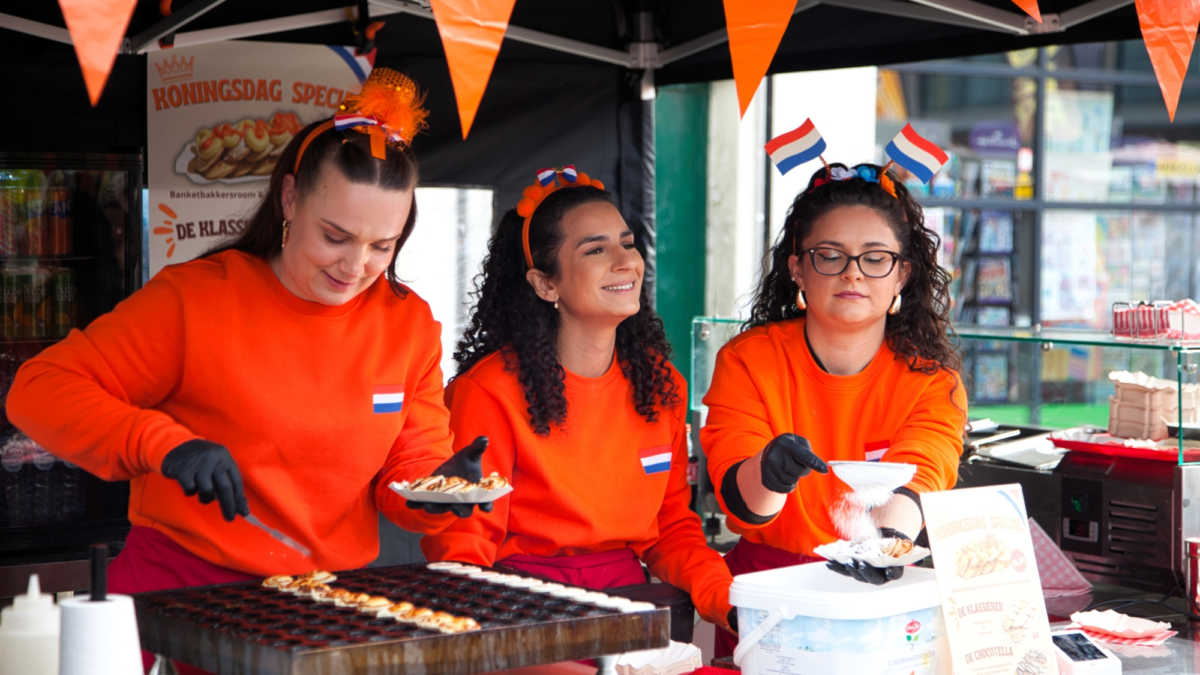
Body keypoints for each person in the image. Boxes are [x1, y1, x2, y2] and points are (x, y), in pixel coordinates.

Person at [7, 69, 484, 674]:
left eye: (381, 245)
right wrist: (164, 445)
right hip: (173, 594)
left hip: (317, 606)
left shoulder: (407, 324)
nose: (356, 265)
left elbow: (406, 478)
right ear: (289, 200)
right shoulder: (198, 299)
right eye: (335, 236)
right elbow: (39, 390)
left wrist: (444, 490)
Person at [420, 167, 736, 632]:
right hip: (523, 618)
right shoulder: (487, 391)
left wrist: (726, 602)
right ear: (545, 284)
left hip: (634, 613)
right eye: (596, 249)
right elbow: (463, 551)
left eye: (627, 243)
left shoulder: (661, 383)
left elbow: (671, 529)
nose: (625, 260)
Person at [702, 162, 966, 658]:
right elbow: (741, 509)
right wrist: (771, 473)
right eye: (830, 256)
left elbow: (921, 475)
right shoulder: (747, 360)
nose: (852, 273)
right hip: (766, 605)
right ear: (798, 267)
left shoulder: (933, 383)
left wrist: (885, 545)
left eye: (875, 258)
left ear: (902, 274)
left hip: (879, 604)